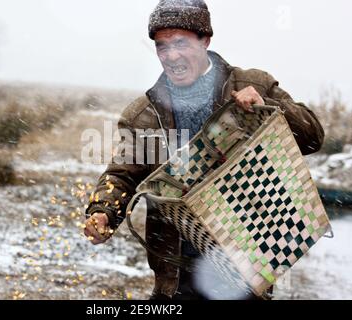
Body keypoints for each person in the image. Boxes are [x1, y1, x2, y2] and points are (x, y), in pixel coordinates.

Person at [84, 0, 324, 300]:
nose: (171, 56)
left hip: (244, 259)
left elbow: (313, 137)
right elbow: (122, 175)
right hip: (178, 270)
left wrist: (270, 108)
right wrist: (103, 211)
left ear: (205, 40)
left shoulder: (253, 85)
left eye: (180, 43)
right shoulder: (144, 115)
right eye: (162, 47)